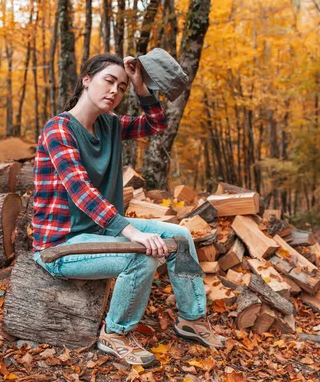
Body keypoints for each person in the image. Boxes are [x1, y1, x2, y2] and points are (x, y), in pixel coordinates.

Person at [31, 53, 224, 366]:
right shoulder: (58, 130)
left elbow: (156, 124)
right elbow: (82, 192)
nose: (114, 92)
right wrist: (132, 232)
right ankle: (115, 333)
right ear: (86, 79)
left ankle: (192, 320)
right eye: (109, 81)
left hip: (99, 232)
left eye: (121, 87)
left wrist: (139, 85)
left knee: (181, 236)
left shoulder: (110, 125)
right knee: (141, 256)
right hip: (60, 245)